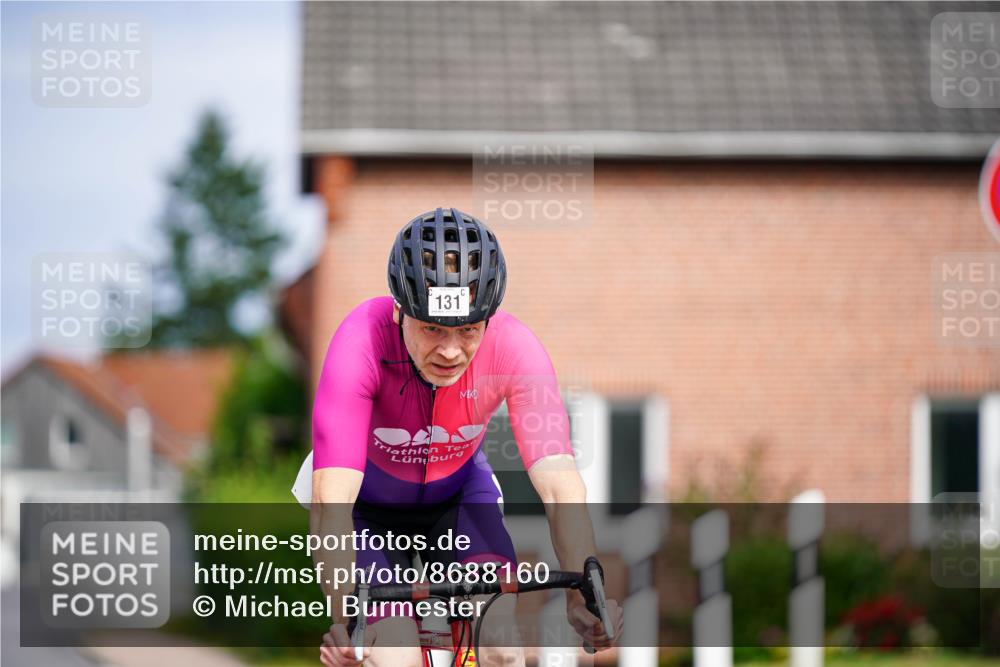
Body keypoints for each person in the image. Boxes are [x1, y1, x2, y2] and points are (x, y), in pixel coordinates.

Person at [307, 207, 622, 667]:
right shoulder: (360, 342)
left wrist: (586, 593)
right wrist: (346, 623)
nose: (451, 351)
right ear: (400, 311)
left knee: (499, 647)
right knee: (393, 654)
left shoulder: (516, 349)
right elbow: (330, 506)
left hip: (458, 498)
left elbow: (561, 487)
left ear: (489, 319)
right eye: (432, 328)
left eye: (468, 330)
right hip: (364, 514)